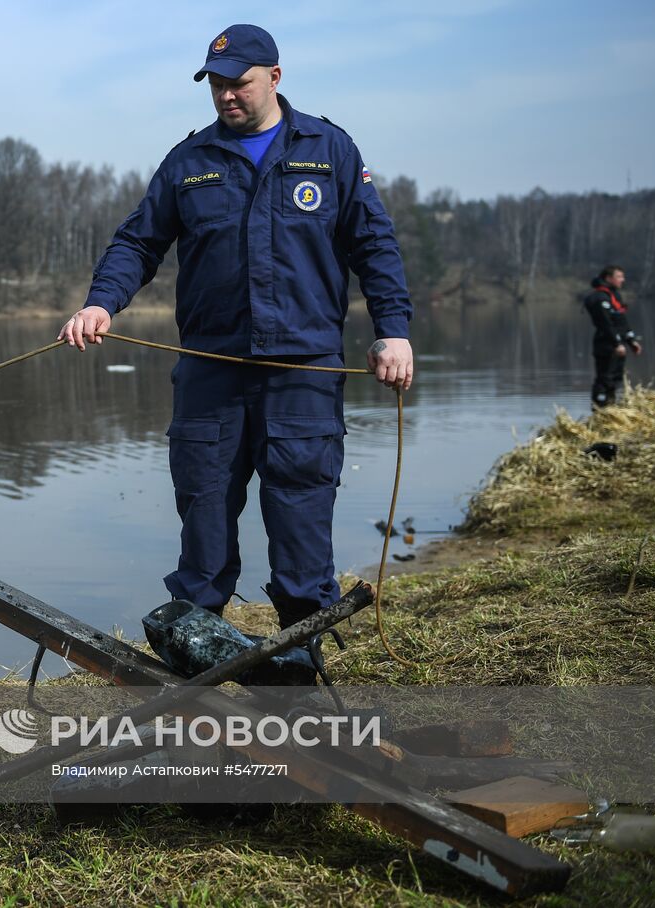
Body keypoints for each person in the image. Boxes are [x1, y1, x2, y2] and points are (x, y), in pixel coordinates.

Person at [59, 23, 413, 633]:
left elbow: (374, 247)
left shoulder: (329, 151)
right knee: (203, 538)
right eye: (217, 84)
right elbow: (138, 243)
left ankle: (298, 684)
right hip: (209, 374)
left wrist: (394, 330)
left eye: (239, 83)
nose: (227, 95)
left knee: (302, 543)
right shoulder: (189, 161)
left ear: (275, 78)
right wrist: (101, 304)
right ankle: (197, 678)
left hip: (303, 374)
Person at [583, 265, 642, 407]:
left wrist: (631, 340)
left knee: (616, 378)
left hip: (618, 343)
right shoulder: (599, 298)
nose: (623, 280)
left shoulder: (614, 295)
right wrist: (617, 343)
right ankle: (599, 410)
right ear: (609, 278)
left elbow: (620, 320)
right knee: (605, 378)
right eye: (619, 277)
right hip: (606, 343)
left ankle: (611, 407)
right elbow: (605, 323)